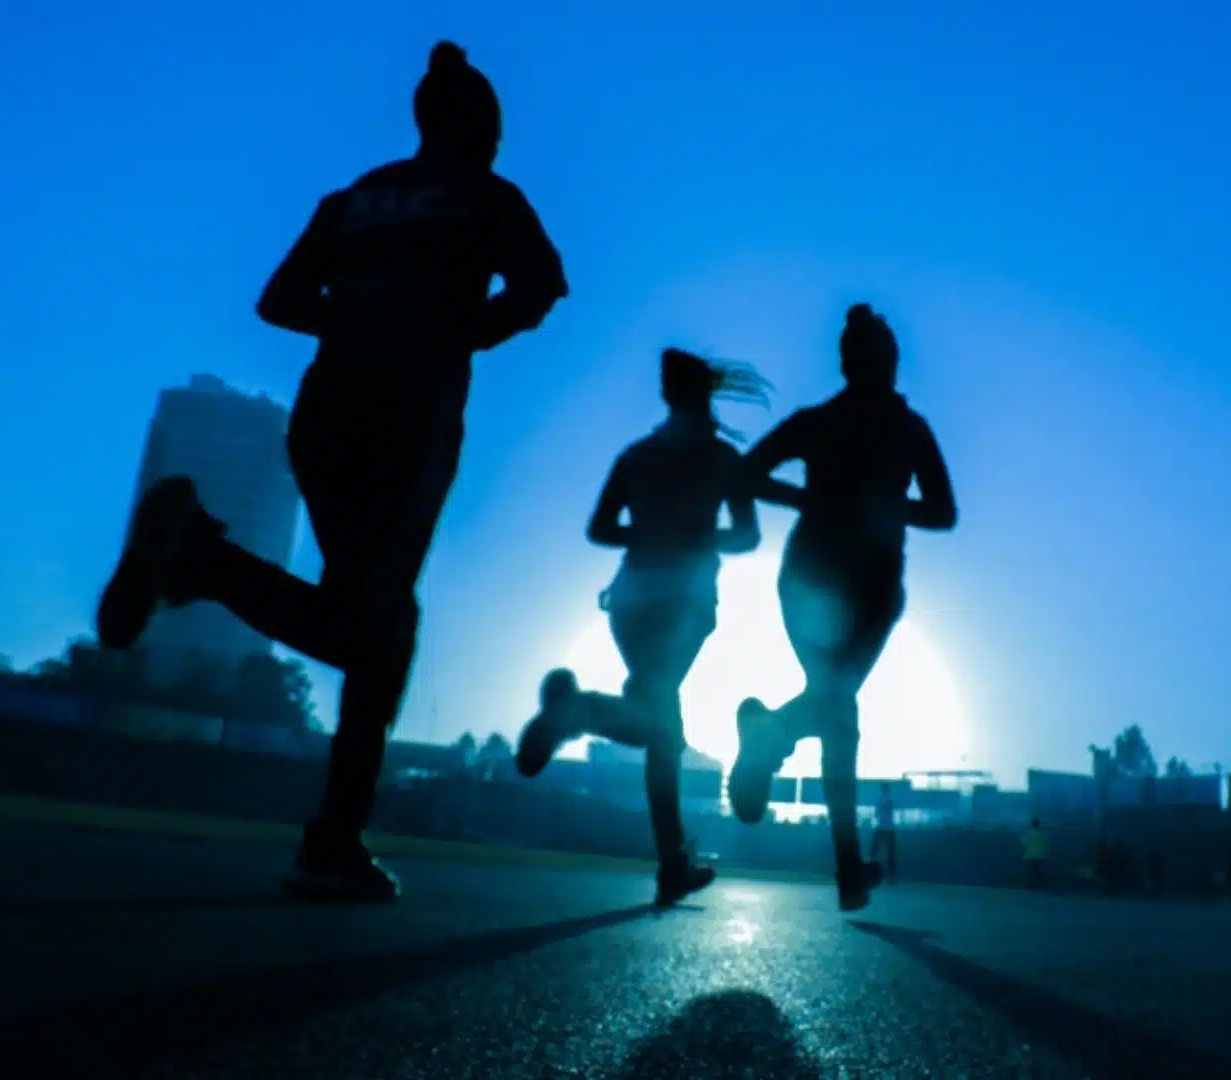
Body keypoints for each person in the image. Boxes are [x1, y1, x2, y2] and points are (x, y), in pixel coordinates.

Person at [93, 41, 568, 903]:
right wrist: (456, 329)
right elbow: (543, 288)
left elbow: (275, 300)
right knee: (380, 624)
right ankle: (329, 833)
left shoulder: (353, 200)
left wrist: (355, 323)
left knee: (370, 616)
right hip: (410, 412)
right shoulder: (487, 196)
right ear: (486, 130)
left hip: (327, 412)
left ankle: (206, 569)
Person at [725, 303, 959, 911]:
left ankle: (770, 740)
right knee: (838, 710)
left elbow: (746, 476)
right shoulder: (905, 430)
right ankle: (846, 866)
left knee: (835, 708)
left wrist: (819, 500)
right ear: (886, 363)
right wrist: (872, 505)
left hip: (831, 585)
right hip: (855, 588)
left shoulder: (825, 422)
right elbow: (941, 512)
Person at [515, 348, 769, 906]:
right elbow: (749, 537)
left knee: (662, 729)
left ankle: (672, 860)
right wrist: (696, 538)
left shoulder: (637, 457)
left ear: (666, 395)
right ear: (706, 395)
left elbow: (601, 528)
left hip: (630, 603)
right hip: (684, 607)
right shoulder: (723, 460)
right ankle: (578, 713)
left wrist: (650, 534)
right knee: (663, 732)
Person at [867, 782, 899, 881]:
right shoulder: (892, 799)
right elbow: (896, 811)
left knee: (873, 852)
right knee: (891, 853)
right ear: (889, 789)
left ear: (882, 788)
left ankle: (870, 874)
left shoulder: (878, 799)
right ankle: (891, 877)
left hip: (881, 827)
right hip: (890, 828)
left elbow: (876, 814)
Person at [1022, 817, 1049, 889]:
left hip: (1029, 856)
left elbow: (1023, 843)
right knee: (1039, 873)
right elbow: (1046, 844)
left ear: (1031, 825)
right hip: (1040, 856)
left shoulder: (1027, 834)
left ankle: (1030, 888)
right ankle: (1039, 887)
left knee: (1030, 874)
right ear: (1039, 825)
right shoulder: (1042, 834)